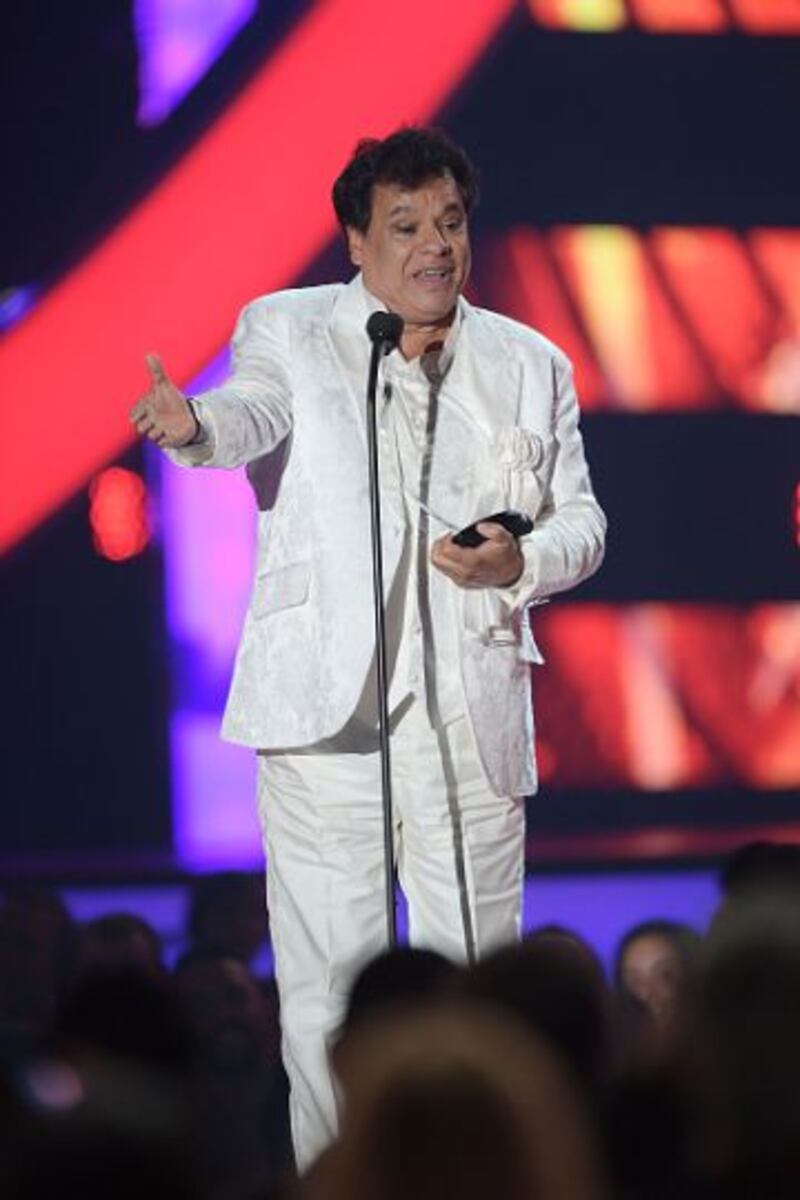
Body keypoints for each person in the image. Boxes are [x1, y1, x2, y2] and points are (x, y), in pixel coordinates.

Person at [130, 126, 606, 1167]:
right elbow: (252, 413)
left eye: (450, 223)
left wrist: (517, 559)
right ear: (356, 240)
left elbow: (581, 522)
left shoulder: (530, 362)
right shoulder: (288, 328)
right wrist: (195, 428)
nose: (435, 245)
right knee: (328, 998)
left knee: (477, 990)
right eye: (405, 226)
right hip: (322, 726)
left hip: (468, 722)